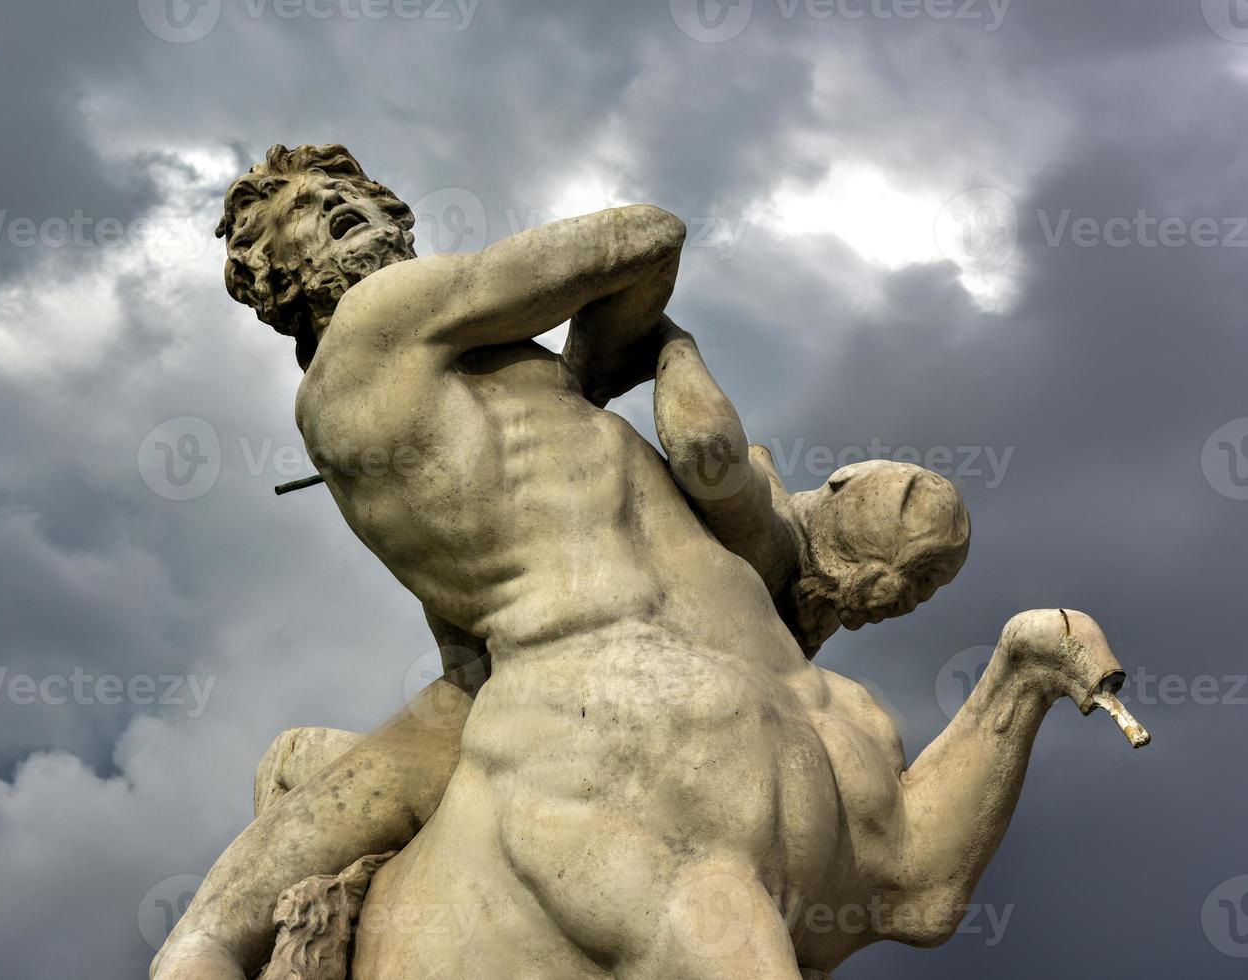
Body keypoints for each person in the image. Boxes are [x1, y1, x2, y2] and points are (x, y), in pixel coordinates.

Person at [153, 144, 1128, 980]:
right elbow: (643, 235)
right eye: (316, 218)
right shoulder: (380, 321)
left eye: (359, 200)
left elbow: (923, 899)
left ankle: (204, 942)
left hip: (732, 678)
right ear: (277, 277)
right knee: (228, 909)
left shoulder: (450, 395)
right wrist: (605, 362)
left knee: (910, 881)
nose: (350, 217)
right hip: (604, 673)